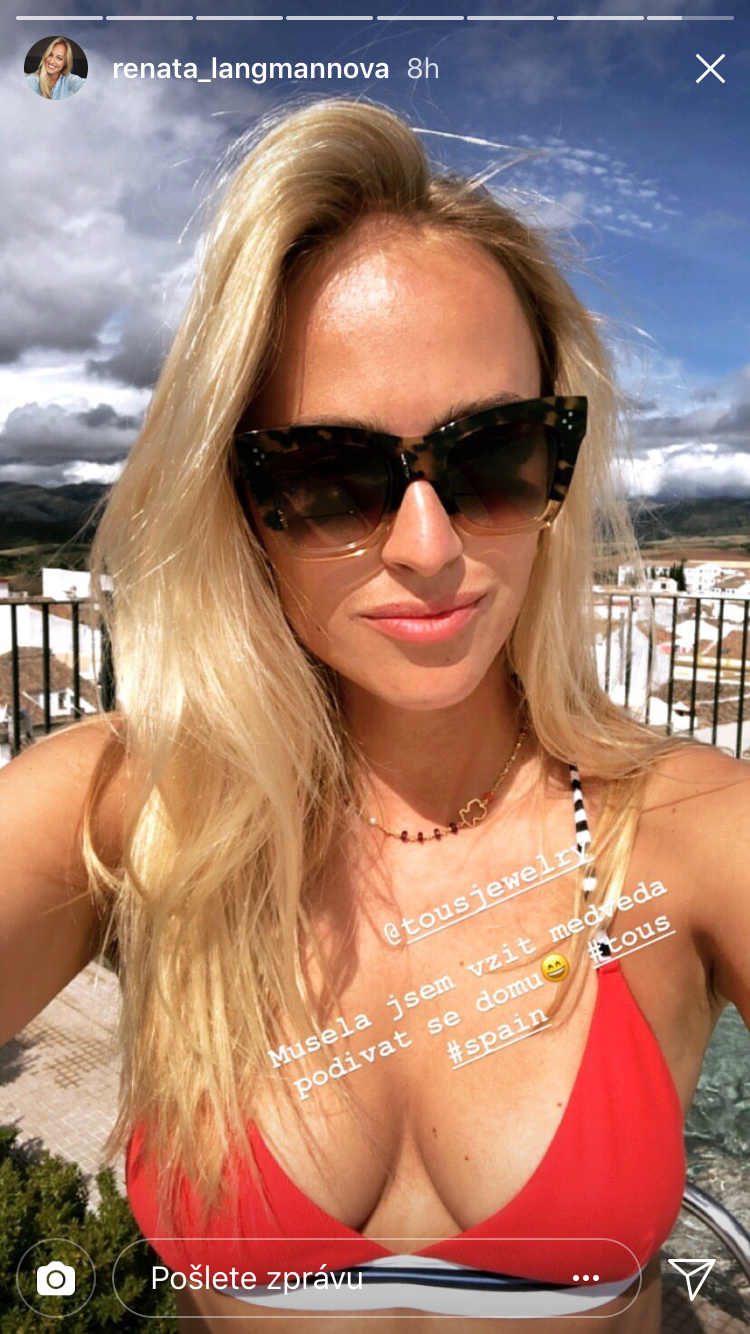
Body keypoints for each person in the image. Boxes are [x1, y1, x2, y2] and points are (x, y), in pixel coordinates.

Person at [1, 99, 748, 1333]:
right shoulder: (133, 807)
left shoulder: (692, 829)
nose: (428, 546)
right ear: (238, 501)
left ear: (558, 460)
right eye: (331, 476)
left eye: (493, 453)